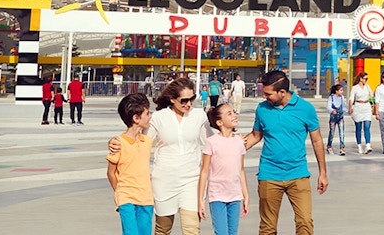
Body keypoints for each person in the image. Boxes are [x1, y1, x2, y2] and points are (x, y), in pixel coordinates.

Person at [112, 77, 210, 235]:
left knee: (192, 229)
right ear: (172, 99)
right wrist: (116, 141)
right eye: (184, 100)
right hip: (164, 180)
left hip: (191, 179)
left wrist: (235, 140)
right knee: (162, 230)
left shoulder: (199, 116)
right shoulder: (158, 117)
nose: (189, 104)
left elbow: (212, 143)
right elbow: (140, 140)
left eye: (192, 99)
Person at [242, 69, 328, 235]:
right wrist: (231, 146)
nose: (264, 97)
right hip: (269, 175)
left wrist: (322, 173)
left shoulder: (306, 109)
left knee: (305, 223)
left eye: (268, 94)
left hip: (298, 174)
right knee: (267, 227)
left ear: (282, 92)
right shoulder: (262, 109)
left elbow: (317, 140)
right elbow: (255, 135)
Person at [197, 103, 249, 235]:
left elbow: (241, 170)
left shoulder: (239, 142)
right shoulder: (212, 142)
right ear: (219, 122)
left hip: (235, 195)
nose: (234, 115)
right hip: (217, 195)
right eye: (229, 113)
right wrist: (200, 200)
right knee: (221, 232)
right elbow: (204, 171)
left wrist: (245, 195)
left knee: (233, 232)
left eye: (234, 112)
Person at [108, 93, 154, 235]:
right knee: (131, 232)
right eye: (147, 113)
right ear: (136, 118)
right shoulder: (118, 143)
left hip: (146, 197)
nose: (150, 116)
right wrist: (120, 192)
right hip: (126, 197)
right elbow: (110, 172)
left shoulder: (147, 141)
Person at [348, 72, 374, 155]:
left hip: (366, 106)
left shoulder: (367, 87)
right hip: (358, 107)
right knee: (358, 128)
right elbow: (351, 98)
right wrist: (350, 108)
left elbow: (372, 95)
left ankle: (368, 145)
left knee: (367, 126)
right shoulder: (355, 88)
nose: (366, 80)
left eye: (367, 79)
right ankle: (359, 145)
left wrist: (373, 104)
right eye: (365, 79)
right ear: (360, 79)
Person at [325, 84, 347, 156]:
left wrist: (348, 110)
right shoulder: (331, 97)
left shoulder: (342, 98)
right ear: (336, 91)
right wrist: (332, 110)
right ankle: (329, 146)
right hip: (333, 118)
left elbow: (343, 107)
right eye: (341, 90)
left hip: (340, 117)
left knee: (341, 133)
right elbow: (328, 107)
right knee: (332, 133)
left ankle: (342, 148)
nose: (342, 92)